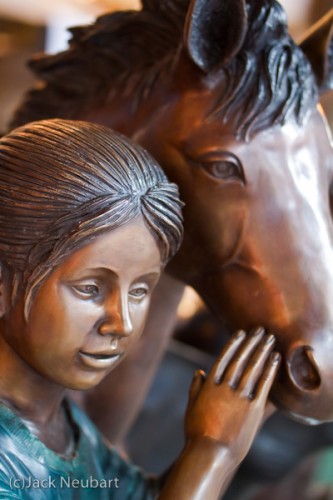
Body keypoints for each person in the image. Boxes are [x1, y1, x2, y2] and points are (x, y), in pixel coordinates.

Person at [0, 118, 280, 499]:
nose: (122, 323)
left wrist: (222, 432)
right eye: (91, 288)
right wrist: (213, 452)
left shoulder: (64, 425)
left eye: (140, 290)